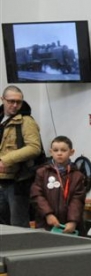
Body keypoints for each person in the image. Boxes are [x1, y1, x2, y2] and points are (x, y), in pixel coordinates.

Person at [0, 85, 42, 227]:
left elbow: (34, 148)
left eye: (18, 102)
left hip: (17, 181)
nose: (15, 105)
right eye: (11, 101)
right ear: (2, 99)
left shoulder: (26, 121)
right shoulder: (1, 119)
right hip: (1, 180)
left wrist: (5, 160)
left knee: (18, 226)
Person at [30, 135, 86, 233]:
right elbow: (37, 195)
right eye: (55, 150)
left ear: (71, 152)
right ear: (51, 152)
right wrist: (48, 214)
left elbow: (77, 200)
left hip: (69, 225)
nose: (59, 153)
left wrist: (73, 221)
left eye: (63, 150)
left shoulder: (77, 176)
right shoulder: (42, 172)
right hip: (46, 222)